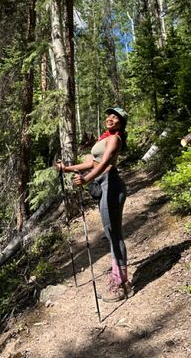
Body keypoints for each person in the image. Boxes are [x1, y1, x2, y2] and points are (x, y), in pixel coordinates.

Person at [57, 107, 133, 302]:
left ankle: (122, 283)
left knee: (114, 234)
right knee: (110, 233)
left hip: (112, 185)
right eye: (109, 115)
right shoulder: (104, 137)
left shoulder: (115, 139)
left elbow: (105, 162)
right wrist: (67, 169)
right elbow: (93, 162)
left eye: (115, 117)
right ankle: (118, 276)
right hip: (104, 185)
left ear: (121, 123)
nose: (110, 118)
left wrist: (86, 179)